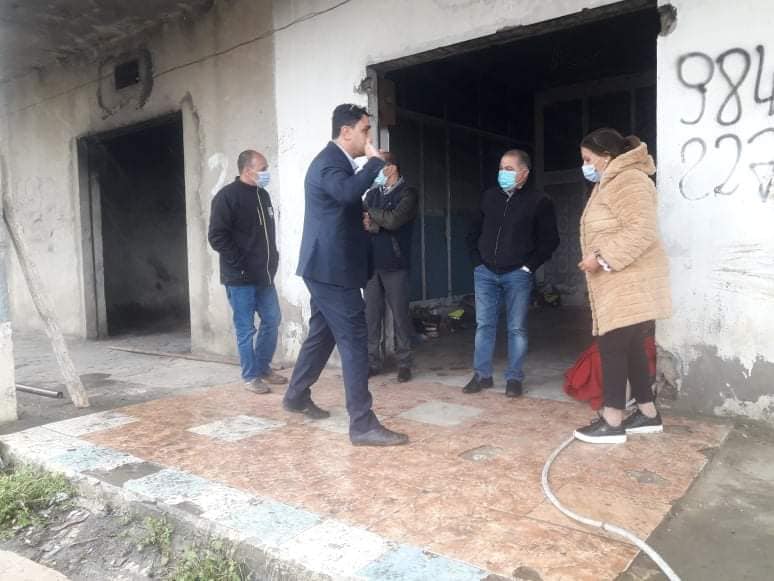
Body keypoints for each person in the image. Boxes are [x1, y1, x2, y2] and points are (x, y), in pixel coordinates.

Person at [282, 104, 409, 447]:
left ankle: (295, 395)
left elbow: (343, 204)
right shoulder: (328, 162)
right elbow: (346, 192)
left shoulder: (337, 164)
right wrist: (375, 163)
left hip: (330, 268)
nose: (369, 137)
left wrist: (362, 218)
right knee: (354, 338)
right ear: (346, 131)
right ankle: (362, 424)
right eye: (365, 130)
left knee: (322, 335)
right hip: (331, 270)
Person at [573, 128, 671, 444]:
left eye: (588, 159)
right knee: (631, 347)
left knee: (613, 347)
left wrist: (601, 257)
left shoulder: (629, 180)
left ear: (606, 156)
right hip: (619, 280)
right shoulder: (611, 182)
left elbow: (642, 230)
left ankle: (612, 420)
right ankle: (648, 414)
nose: (586, 166)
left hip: (627, 279)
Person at [464, 149, 559, 397]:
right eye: (501, 168)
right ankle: (481, 375)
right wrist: (477, 262)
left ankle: (514, 378)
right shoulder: (489, 197)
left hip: (517, 274)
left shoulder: (539, 201)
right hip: (485, 272)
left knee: (516, 328)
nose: (502, 173)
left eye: (509, 169)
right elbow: (472, 231)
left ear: (524, 173)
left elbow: (550, 240)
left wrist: (529, 267)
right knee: (484, 325)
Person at [208, 150, 286, 394]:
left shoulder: (263, 195)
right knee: (245, 328)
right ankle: (250, 376)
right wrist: (240, 262)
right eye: (263, 168)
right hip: (240, 277)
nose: (266, 172)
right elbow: (216, 237)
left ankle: (262, 367)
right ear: (247, 170)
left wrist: (273, 259)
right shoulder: (226, 197)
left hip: (264, 276)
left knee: (272, 319)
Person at [363, 152, 418, 383]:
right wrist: (377, 223)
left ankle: (404, 363)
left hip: (396, 263)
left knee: (400, 316)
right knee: (371, 316)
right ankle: (372, 362)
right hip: (371, 264)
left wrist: (373, 219)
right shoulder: (372, 194)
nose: (374, 173)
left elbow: (395, 221)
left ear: (392, 168)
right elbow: (363, 220)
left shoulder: (408, 193)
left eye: (378, 167)